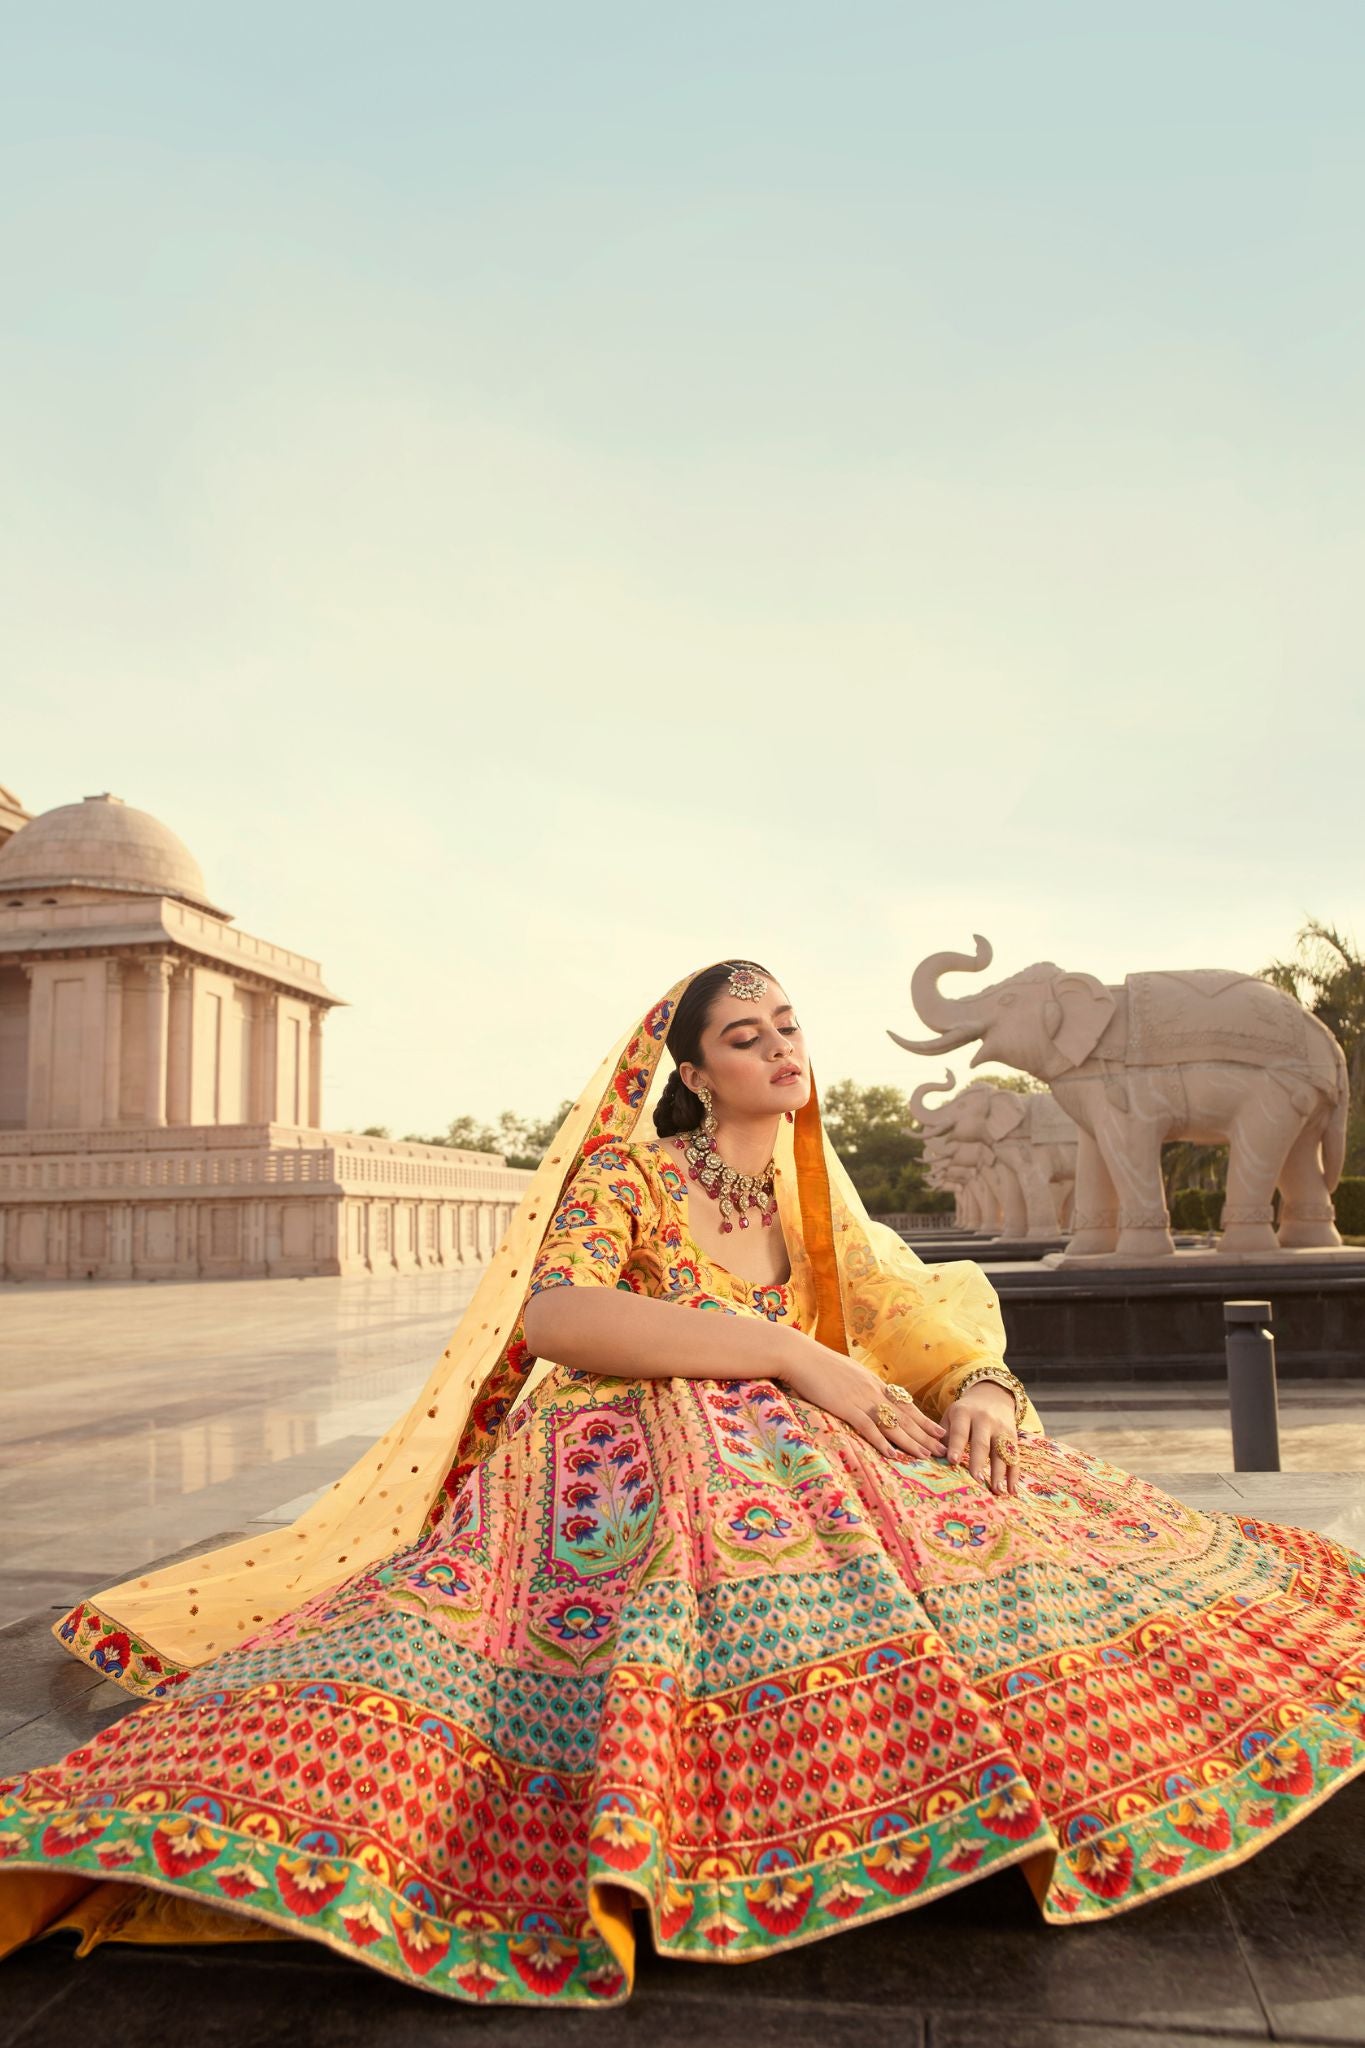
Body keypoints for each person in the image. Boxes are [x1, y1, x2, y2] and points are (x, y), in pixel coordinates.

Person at [2, 957, 1363, 2009]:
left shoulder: (819, 1195)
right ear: (697, 1073)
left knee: (1001, 1511)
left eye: (787, 1026)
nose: (782, 1051)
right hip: (617, 1454)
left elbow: (911, 1324)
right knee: (738, 1519)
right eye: (746, 1036)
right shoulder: (635, 1173)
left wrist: (989, 1394)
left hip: (802, 1440)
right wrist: (778, 1352)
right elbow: (559, 1319)